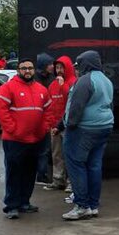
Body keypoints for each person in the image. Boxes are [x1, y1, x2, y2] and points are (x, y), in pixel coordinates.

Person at [0, 58, 55, 220]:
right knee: (14, 173)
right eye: (23, 68)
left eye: (30, 68)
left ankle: (24, 202)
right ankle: (12, 206)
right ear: (18, 70)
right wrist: (14, 129)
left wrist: (43, 129)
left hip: (36, 139)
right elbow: (1, 111)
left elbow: (48, 111)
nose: (27, 71)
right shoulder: (7, 88)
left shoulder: (41, 89)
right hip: (14, 140)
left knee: (29, 172)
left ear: (34, 70)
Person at [60, 50, 114, 221]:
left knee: (76, 165)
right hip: (104, 127)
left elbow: (76, 107)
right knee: (94, 166)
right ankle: (93, 205)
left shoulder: (84, 81)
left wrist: (69, 125)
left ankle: (82, 205)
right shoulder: (106, 80)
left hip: (84, 128)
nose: (77, 68)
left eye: (79, 64)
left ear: (86, 64)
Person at [45, 56, 77, 190]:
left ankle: (71, 182)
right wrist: (51, 125)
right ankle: (58, 179)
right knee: (56, 154)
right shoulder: (52, 85)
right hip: (55, 127)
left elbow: (72, 103)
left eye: (61, 68)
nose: (59, 71)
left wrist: (63, 85)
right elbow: (49, 106)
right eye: (57, 68)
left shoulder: (73, 82)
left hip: (67, 126)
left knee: (70, 155)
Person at [35, 53, 55, 184]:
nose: (52, 66)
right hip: (38, 118)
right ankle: (40, 175)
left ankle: (42, 173)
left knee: (45, 149)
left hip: (47, 118)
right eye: (50, 64)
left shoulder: (51, 78)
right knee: (42, 149)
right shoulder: (36, 80)